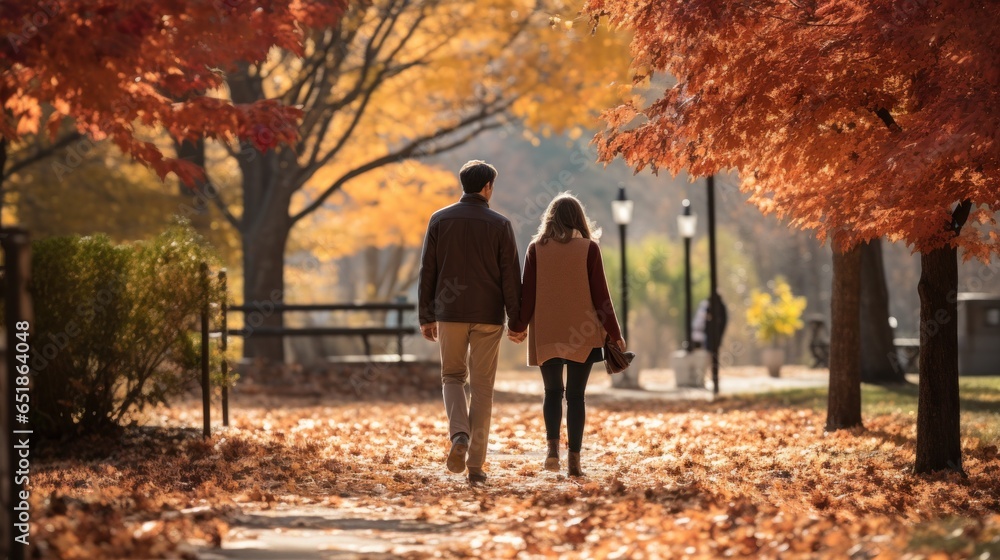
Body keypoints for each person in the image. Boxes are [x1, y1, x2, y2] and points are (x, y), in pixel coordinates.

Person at [417, 160, 522, 485]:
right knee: (482, 389)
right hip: (488, 316)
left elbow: (428, 271)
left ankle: (458, 435)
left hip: (449, 314)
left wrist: (426, 315)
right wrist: (517, 320)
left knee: (451, 376)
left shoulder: (439, 219)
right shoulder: (500, 225)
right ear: (488, 186)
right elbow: (510, 277)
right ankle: (475, 466)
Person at [508, 193, 625, 477]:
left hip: (547, 330)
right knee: (576, 396)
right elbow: (601, 297)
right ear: (579, 219)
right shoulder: (589, 249)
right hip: (582, 333)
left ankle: (551, 452)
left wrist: (519, 325)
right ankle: (574, 461)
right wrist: (615, 334)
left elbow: (528, 293)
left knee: (551, 392)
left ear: (550, 219)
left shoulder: (537, 248)